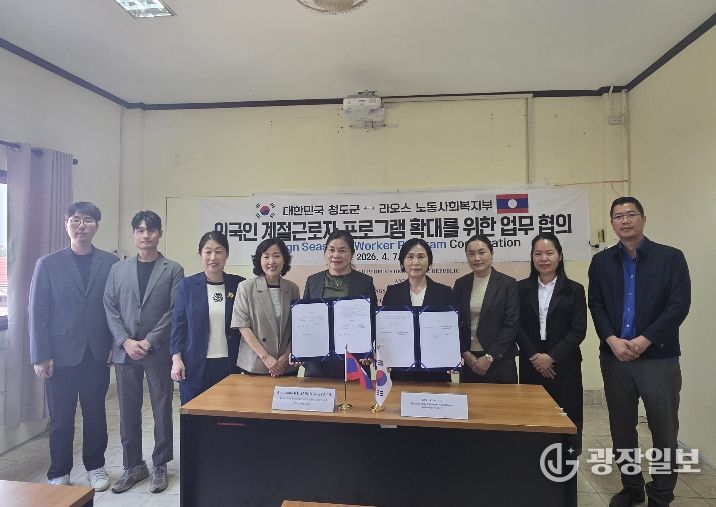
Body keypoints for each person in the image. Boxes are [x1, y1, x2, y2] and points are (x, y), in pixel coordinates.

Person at [588, 197, 690, 507]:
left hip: (658, 358)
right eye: (618, 216)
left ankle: (661, 493)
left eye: (631, 214)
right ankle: (631, 486)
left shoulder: (670, 258)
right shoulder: (601, 262)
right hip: (615, 358)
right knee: (622, 428)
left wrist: (646, 340)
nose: (625, 220)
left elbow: (678, 305)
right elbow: (596, 304)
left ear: (643, 219)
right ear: (612, 223)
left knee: (663, 429)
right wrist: (611, 339)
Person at [28, 202, 118, 490]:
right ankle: (59, 471)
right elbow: (37, 311)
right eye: (76, 220)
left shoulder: (111, 263)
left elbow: (115, 308)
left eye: (88, 220)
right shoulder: (48, 264)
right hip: (59, 355)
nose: (82, 226)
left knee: (95, 414)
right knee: (61, 418)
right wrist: (40, 355)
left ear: (96, 226)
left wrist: (114, 345)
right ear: (66, 224)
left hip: (96, 352)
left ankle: (96, 466)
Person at [103, 211, 184, 494]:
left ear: (160, 233)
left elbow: (174, 310)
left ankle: (160, 463)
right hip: (125, 353)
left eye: (151, 230)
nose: (145, 235)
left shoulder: (172, 269)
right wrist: (125, 341)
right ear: (133, 234)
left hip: (157, 351)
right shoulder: (118, 270)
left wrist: (149, 341)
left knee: (162, 408)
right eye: (140, 230)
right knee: (128, 411)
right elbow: (110, 307)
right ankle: (133, 465)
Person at [517, 233, 586, 454]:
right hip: (531, 365)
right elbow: (516, 326)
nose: (543, 258)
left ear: (560, 256)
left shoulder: (574, 289)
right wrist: (536, 357)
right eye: (538, 253)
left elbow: (578, 330)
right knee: (533, 417)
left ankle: (566, 463)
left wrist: (551, 357)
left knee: (566, 416)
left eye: (549, 253)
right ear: (532, 258)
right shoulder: (520, 289)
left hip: (564, 366)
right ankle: (534, 462)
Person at [170, 231, 244, 404]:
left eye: (218, 251)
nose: (213, 257)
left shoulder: (239, 285)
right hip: (194, 364)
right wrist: (176, 359)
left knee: (226, 413)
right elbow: (178, 325)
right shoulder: (187, 286)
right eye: (208, 252)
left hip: (229, 364)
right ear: (200, 255)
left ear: (226, 254)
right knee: (194, 414)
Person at [302, 229, 377, 378]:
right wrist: (300, 351)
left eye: (342, 250)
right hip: (318, 361)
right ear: (325, 252)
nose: (336, 255)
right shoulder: (313, 281)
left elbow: (372, 320)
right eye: (331, 250)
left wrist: (367, 350)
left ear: (352, 253)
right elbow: (305, 320)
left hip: (353, 359)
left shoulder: (365, 282)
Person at [382, 238, 454, 382]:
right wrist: (385, 358)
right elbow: (385, 330)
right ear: (402, 262)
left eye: (421, 257)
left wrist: (453, 357)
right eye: (410, 257)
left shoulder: (445, 293)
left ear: (429, 261)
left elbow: (452, 331)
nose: (416, 262)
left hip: (437, 371)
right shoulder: (392, 293)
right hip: (402, 371)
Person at [453, 234, 519, 383]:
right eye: (471, 254)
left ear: (491, 254)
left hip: (500, 359)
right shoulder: (461, 284)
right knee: (471, 398)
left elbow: (512, 324)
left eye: (481, 252)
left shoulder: (507, 284)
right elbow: (454, 322)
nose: (476, 258)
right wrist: (464, 353)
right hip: (470, 361)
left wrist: (490, 357)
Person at [231, 238, 300, 376]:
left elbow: (297, 327)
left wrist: (285, 357)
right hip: (256, 364)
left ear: (284, 259)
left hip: (285, 366)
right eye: (266, 256)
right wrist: (266, 358)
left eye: (276, 256)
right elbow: (242, 326)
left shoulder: (292, 288)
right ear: (259, 260)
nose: (271, 261)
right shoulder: (246, 287)